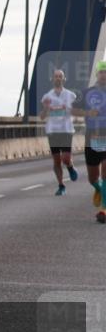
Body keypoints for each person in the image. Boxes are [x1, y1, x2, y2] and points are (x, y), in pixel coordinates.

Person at [71, 60, 106, 223]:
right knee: (93, 178)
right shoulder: (87, 93)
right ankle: (98, 189)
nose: (104, 75)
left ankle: (104, 210)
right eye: (102, 72)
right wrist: (87, 112)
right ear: (97, 74)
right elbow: (72, 109)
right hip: (92, 138)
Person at [39, 69, 80, 195]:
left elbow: (76, 111)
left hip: (66, 130)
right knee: (57, 161)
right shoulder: (47, 97)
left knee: (66, 158)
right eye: (56, 76)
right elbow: (42, 117)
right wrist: (46, 109)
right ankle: (61, 185)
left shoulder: (71, 95)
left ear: (64, 79)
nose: (58, 78)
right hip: (53, 131)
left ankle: (70, 167)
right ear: (52, 79)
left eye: (60, 76)